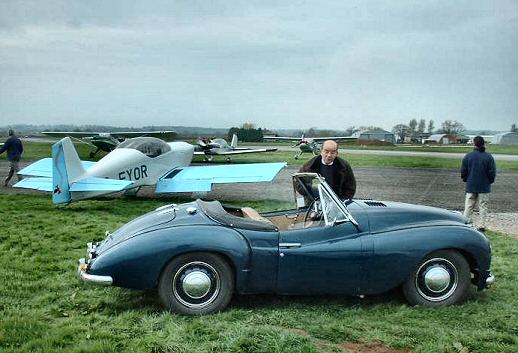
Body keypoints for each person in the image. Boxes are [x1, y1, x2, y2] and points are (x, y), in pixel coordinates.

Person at [461, 135, 496, 231]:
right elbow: (492, 172)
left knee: (469, 206)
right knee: (483, 206)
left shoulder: (468, 156)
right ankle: (481, 225)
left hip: (471, 185)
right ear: (483, 144)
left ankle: (466, 223)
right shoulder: (489, 157)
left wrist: (466, 180)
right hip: (484, 186)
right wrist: (490, 181)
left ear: (474, 144)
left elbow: (463, 171)